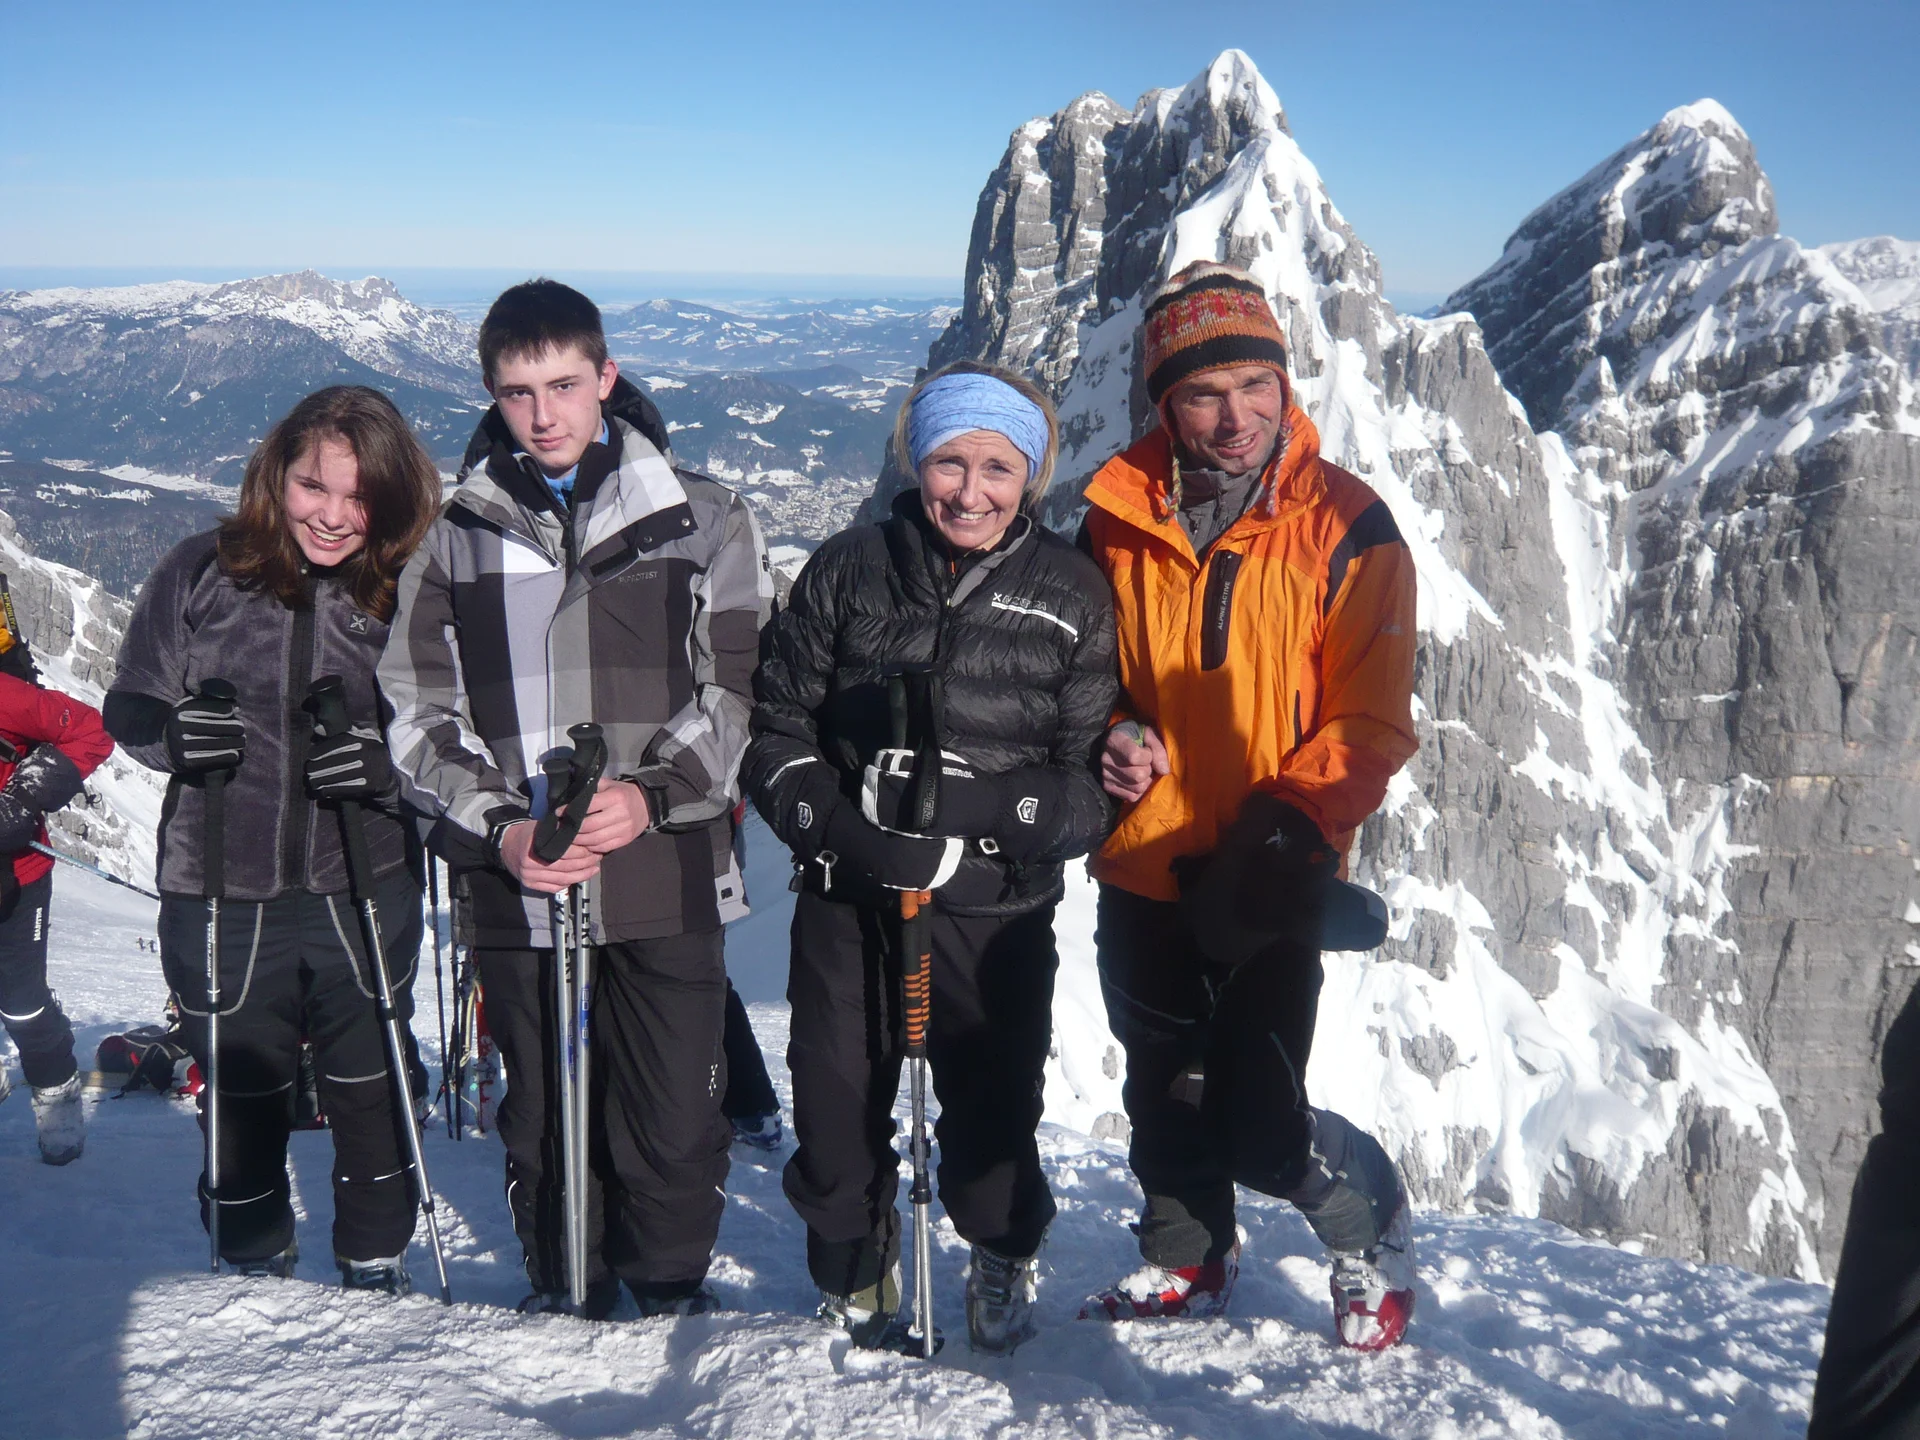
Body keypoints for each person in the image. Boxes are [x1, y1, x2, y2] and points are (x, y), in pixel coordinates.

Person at [378, 278, 773, 1319]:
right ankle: (568, 1284)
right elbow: (415, 710)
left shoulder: (704, 517)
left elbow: (738, 684)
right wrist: (500, 830)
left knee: (676, 1109)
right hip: (523, 877)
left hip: (667, 868)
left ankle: (670, 1284)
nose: (544, 413)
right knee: (544, 1114)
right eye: (517, 391)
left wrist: (651, 795)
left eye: (563, 383)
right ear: (491, 395)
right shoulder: (456, 538)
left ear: (606, 377)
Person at [1075, 261, 1420, 1350]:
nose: (1236, 418)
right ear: (1163, 403)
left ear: (1285, 381)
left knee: (1261, 1115)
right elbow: (1088, 679)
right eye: (1203, 393)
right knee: (1159, 1087)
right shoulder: (1111, 518)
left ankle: (1368, 1223)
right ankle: (1187, 1253)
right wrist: (1106, 737)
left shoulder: (1349, 526)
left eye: (1255, 386)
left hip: (1271, 869)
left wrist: (1286, 831)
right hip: (1144, 860)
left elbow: (1369, 721)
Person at [746, 361, 1118, 1353]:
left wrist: (989, 809)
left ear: (1030, 476)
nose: (970, 490)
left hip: (992, 911)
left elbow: (1091, 795)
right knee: (832, 1106)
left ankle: (999, 1246)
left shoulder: (1073, 594)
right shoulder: (850, 567)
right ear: (918, 460)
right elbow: (775, 731)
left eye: (998, 466)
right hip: (849, 897)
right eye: (950, 461)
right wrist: (843, 829)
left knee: (992, 1117)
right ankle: (853, 1266)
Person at [104, 385, 441, 1292]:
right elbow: (131, 697)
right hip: (219, 878)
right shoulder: (202, 570)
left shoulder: (409, 588)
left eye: (360, 495)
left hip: (363, 878)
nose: (333, 516)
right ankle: (256, 1271)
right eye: (311, 487)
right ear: (274, 476)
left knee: (372, 1092)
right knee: (242, 1097)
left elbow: (454, 737)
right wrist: (170, 735)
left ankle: (374, 1268)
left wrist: (384, 771)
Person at [0, 623, 114, 1164]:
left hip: (16, 875)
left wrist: (20, 802)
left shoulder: (5, 696)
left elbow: (92, 729)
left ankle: (57, 1089)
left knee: (21, 1003)